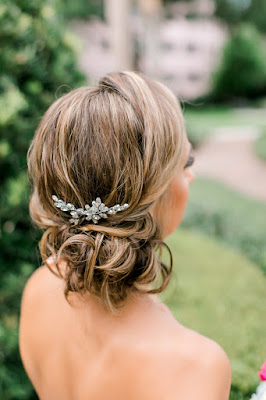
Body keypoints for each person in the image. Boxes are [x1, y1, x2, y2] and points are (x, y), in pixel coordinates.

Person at [19, 71, 231, 400]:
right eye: (184, 162)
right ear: (152, 192)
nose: (190, 175)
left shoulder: (38, 288)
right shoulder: (196, 365)